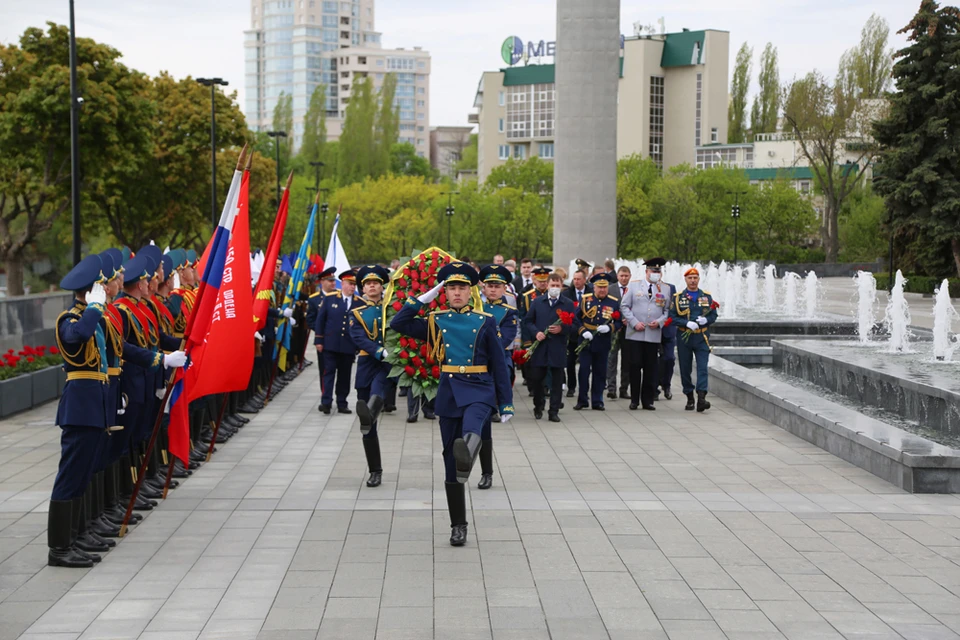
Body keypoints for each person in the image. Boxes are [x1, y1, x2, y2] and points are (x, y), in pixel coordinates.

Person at [390, 262, 513, 546]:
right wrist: (423, 299)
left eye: (461, 288)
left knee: (471, 431)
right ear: (444, 292)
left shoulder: (485, 321)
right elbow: (399, 324)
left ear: (471, 292)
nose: (456, 293)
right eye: (451, 288)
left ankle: (467, 453)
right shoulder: (436, 319)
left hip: (480, 389)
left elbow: (498, 363)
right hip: (449, 392)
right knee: (449, 462)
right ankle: (458, 525)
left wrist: (505, 403)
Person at [349, 264, 392, 487]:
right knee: (368, 428)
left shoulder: (391, 309)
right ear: (362, 289)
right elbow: (358, 338)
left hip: (386, 367)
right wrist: (377, 350)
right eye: (367, 283)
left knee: (378, 393)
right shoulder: (356, 313)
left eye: (375, 282)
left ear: (382, 285)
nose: (372, 286)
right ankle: (375, 470)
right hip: (367, 364)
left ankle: (370, 412)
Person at [477, 264, 518, 490]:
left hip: (495, 366)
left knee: (484, 424)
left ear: (504, 288)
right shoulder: (475, 308)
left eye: (497, 286)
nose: (492, 290)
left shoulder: (509, 313)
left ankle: (487, 472)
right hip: (474, 367)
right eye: (489, 286)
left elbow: (504, 340)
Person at [522, 272, 576, 422]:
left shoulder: (567, 303)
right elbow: (528, 321)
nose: (555, 288)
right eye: (552, 285)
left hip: (557, 347)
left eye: (558, 286)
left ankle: (554, 410)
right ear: (547, 285)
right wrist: (536, 332)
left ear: (562, 286)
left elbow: (574, 325)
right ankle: (538, 406)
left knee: (557, 381)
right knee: (538, 380)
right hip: (540, 347)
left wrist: (562, 329)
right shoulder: (537, 302)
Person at [621, 258, 670, 410]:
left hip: (653, 333)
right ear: (646, 272)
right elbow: (624, 306)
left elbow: (667, 311)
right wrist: (634, 322)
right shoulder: (635, 285)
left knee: (651, 368)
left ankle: (647, 400)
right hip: (636, 333)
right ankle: (634, 399)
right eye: (653, 271)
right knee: (635, 366)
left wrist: (660, 322)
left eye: (658, 271)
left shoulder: (665, 289)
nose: (656, 273)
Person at [669, 268, 718, 412]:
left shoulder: (706, 297)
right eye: (690, 278)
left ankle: (701, 398)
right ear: (685, 279)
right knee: (685, 369)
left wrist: (706, 320)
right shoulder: (678, 298)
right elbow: (672, 317)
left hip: (701, 337)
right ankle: (689, 396)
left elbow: (713, 315)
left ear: (699, 279)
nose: (693, 280)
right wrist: (685, 323)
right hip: (685, 337)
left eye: (695, 277)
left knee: (702, 367)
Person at [315, 269, 362, 414]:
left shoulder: (359, 302)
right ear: (342, 284)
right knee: (328, 373)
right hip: (331, 343)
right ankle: (326, 402)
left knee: (344, 375)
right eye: (350, 284)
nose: (352, 287)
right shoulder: (330, 299)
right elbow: (320, 320)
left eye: (354, 285)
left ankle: (342, 402)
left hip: (348, 345)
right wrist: (319, 340)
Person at [573, 272, 622, 411]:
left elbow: (619, 322)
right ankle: (582, 399)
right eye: (599, 287)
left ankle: (597, 400)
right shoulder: (585, 299)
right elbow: (576, 319)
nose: (602, 290)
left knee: (600, 372)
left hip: (602, 341)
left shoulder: (613, 301)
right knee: (583, 370)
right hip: (586, 340)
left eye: (604, 287)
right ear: (594, 287)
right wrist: (583, 331)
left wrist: (610, 327)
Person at [307, 267, 337, 401]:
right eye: (329, 281)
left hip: (338, 339)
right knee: (325, 370)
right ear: (322, 282)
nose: (333, 283)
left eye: (333, 280)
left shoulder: (339, 296)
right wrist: (321, 332)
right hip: (323, 340)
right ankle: (326, 396)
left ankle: (340, 398)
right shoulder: (314, 299)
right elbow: (311, 319)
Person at [563, 269, 591, 398]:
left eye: (579, 279)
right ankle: (571, 386)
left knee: (586, 363)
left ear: (585, 280)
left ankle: (585, 387)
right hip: (572, 333)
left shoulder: (591, 292)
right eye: (574, 279)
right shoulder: (567, 293)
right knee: (570, 362)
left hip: (588, 333)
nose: (576, 281)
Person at [607, 266, 632, 400]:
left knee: (627, 360)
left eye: (626, 276)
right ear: (617, 276)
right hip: (613, 329)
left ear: (630, 276)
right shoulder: (610, 289)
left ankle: (624, 388)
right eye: (622, 275)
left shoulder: (634, 289)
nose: (624, 278)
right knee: (611, 358)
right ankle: (611, 388)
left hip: (629, 329)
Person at [657, 267, 679, 401]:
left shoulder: (670, 288)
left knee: (669, 358)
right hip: (652, 329)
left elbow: (673, 308)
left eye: (657, 272)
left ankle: (666, 384)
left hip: (668, 329)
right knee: (653, 360)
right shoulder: (645, 289)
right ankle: (654, 387)